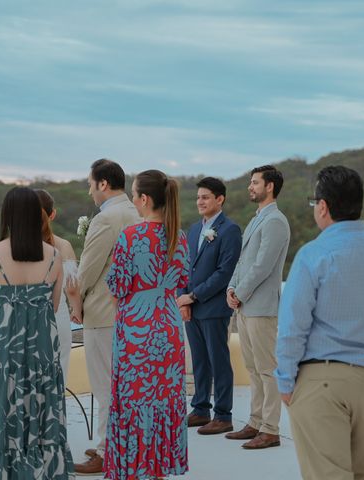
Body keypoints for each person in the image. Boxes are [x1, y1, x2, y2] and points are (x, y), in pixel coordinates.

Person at [275, 166, 364, 480]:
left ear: (323, 207)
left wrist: (285, 380)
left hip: (321, 379)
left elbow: (292, 326)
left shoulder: (314, 254)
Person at [0, 187, 74, 479]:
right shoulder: (54, 256)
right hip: (41, 351)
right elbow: (52, 306)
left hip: (1, 352)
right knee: (40, 411)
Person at [104, 169, 189, 480]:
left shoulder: (130, 236)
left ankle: (134, 470)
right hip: (168, 326)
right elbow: (182, 280)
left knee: (133, 400)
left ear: (145, 199)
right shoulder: (179, 236)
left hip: (136, 329)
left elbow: (117, 286)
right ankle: (156, 470)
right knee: (162, 399)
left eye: (135, 194)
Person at [74, 159, 140, 475]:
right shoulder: (138, 213)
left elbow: (87, 270)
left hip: (103, 312)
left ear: (103, 184)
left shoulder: (106, 219)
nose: (89, 190)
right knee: (124, 387)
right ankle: (119, 443)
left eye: (91, 183)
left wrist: (76, 301)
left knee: (105, 388)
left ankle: (106, 451)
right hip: (134, 313)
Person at [226, 165, 290, 450]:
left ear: (270, 187)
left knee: (267, 369)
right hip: (245, 304)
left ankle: (271, 429)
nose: (250, 187)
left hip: (262, 307)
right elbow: (243, 262)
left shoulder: (276, 221)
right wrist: (231, 288)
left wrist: (238, 293)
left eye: (255, 183)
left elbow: (262, 265)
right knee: (253, 368)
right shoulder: (257, 220)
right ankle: (255, 421)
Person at [176, 177, 242, 435]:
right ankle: (200, 409)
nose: (200, 202)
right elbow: (183, 267)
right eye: (198, 197)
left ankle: (223, 415)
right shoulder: (193, 230)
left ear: (219, 199)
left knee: (218, 361)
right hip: (191, 308)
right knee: (200, 362)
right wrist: (183, 299)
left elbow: (224, 273)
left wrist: (193, 296)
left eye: (205, 197)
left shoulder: (230, 230)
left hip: (214, 308)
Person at [36, 189, 83, 382]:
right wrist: (77, 309)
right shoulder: (62, 246)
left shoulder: (12, 247)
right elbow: (71, 287)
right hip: (57, 316)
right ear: (52, 214)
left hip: (27, 319)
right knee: (58, 372)